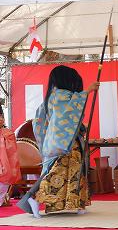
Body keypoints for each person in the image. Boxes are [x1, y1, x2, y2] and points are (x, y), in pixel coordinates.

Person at [17, 65, 99, 218]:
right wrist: (88, 91)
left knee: (72, 171)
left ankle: (77, 202)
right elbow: (68, 112)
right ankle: (35, 198)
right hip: (64, 142)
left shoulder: (51, 97)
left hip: (57, 140)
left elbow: (40, 122)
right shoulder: (61, 95)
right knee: (60, 172)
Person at [0, 105, 21, 206]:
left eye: (1, 117)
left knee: (6, 176)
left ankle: (1, 199)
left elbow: (12, 151)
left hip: (5, 161)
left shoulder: (8, 133)